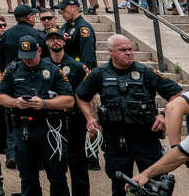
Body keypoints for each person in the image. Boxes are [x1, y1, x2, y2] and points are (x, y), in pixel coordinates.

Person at [75, 34, 184, 196]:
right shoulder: (99, 74)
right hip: (116, 140)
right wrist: (90, 118)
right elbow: (81, 96)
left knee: (155, 184)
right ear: (110, 52)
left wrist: (163, 115)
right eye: (122, 50)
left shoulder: (145, 72)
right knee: (119, 185)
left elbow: (178, 95)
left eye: (130, 49)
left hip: (146, 138)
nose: (128, 53)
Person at [0, 38, 73, 196]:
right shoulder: (12, 69)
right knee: (28, 177)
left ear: (39, 51)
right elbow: (1, 97)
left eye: (31, 56)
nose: (28, 60)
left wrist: (45, 103)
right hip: (23, 129)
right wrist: (15, 102)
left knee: (57, 176)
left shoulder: (52, 70)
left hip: (48, 128)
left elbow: (69, 100)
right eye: (24, 56)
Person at [44, 27, 91, 194]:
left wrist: (91, 119)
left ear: (64, 41)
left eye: (58, 38)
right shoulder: (43, 65)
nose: (55, 41)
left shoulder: (77, 66)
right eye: (51, 38)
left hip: (74, 121)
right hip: (52, 122)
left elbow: (88, 94)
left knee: (78, 165)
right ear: (47, 42)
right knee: (55, 166)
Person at [0, 4, 46, 70]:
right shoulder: (37, 34)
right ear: (29, 17)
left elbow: (0, 58)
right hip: (33, 73)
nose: (34, 18)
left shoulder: (6, 34)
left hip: (11, 73)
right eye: (33, 15)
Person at [55, 0, 97, 69]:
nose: (61, 12)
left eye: (63, 8)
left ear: (74, 8)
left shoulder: (84, 28)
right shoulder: (65, 27)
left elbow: (87, 56)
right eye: (60, 9)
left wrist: (83, 73)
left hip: (79, 70)